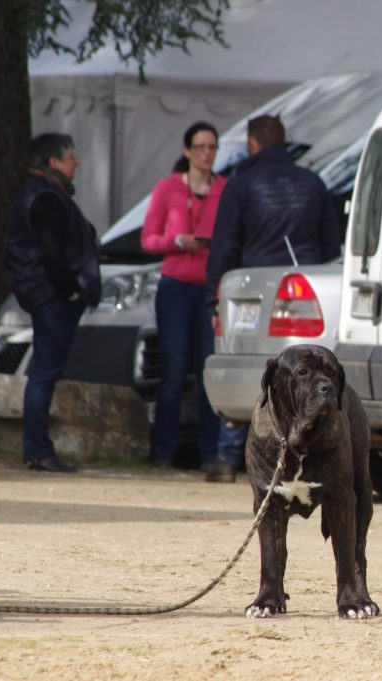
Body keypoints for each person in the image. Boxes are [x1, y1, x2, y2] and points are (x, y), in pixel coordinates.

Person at [203, 114, 341, 483]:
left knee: (252, 370)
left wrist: (214, 298)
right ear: (284, 143)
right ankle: (304, 461)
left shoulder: (240, 184)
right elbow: (331, 243)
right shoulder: (313, 182)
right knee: (301, 379)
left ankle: (230, 458)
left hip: (250, 287)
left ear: (252, 145)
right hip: (302, 291)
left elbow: (224, 246)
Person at [4, 133, 101, 473]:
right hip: (51, 299)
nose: (77, 162)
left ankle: (37, 449)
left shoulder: (44, 193)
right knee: (44, 371)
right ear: (53, 162)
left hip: (47, 296)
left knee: (44, 370)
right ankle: (38, 450)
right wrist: (69, 289)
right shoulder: (46, 197)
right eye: (71, 156)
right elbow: (51, 252)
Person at [140, 121, 227, 469]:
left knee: (208, 369)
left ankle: (210, 454)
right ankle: (163, 453)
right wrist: (177, 242)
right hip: (175, 286)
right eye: (200, 146)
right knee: (173, 371)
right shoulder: (168, 189)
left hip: (209, 288)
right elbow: (148, 240)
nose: (206, 153)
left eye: (212, 147)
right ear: (187, 151)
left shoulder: (225, 189)